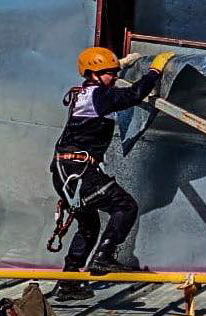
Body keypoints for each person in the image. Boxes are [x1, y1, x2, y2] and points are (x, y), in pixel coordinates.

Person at [50, 47, 175, 301]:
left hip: (67, 171)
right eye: (109, 74)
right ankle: (103, 258)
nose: (113, 76)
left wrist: (123, 63)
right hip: (78, 172)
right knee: (126, 206)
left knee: (89, 225)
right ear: (93, 74)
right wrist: (154, 72)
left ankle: (69, 281)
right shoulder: (97, 96)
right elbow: (133, 95)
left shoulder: (86, 92)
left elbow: (110, 80)